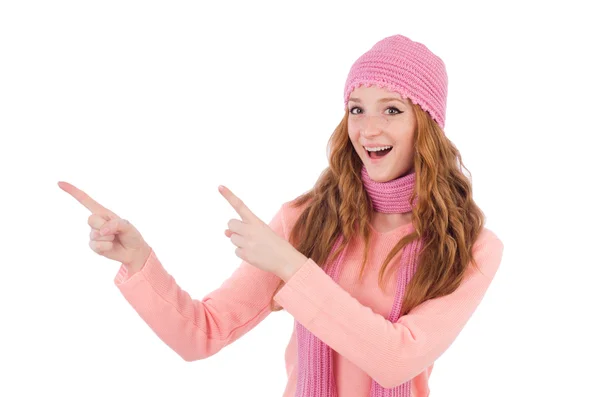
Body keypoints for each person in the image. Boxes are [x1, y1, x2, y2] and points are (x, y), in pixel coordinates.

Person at [58, 34, 504, 397]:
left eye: (392, 109)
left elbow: (396, 360)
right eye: (356, 109)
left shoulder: (471, 246)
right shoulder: (306, 220)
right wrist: (138, 262)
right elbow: (202, 334)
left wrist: (291, 267)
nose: (368, 129)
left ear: (426, 123)